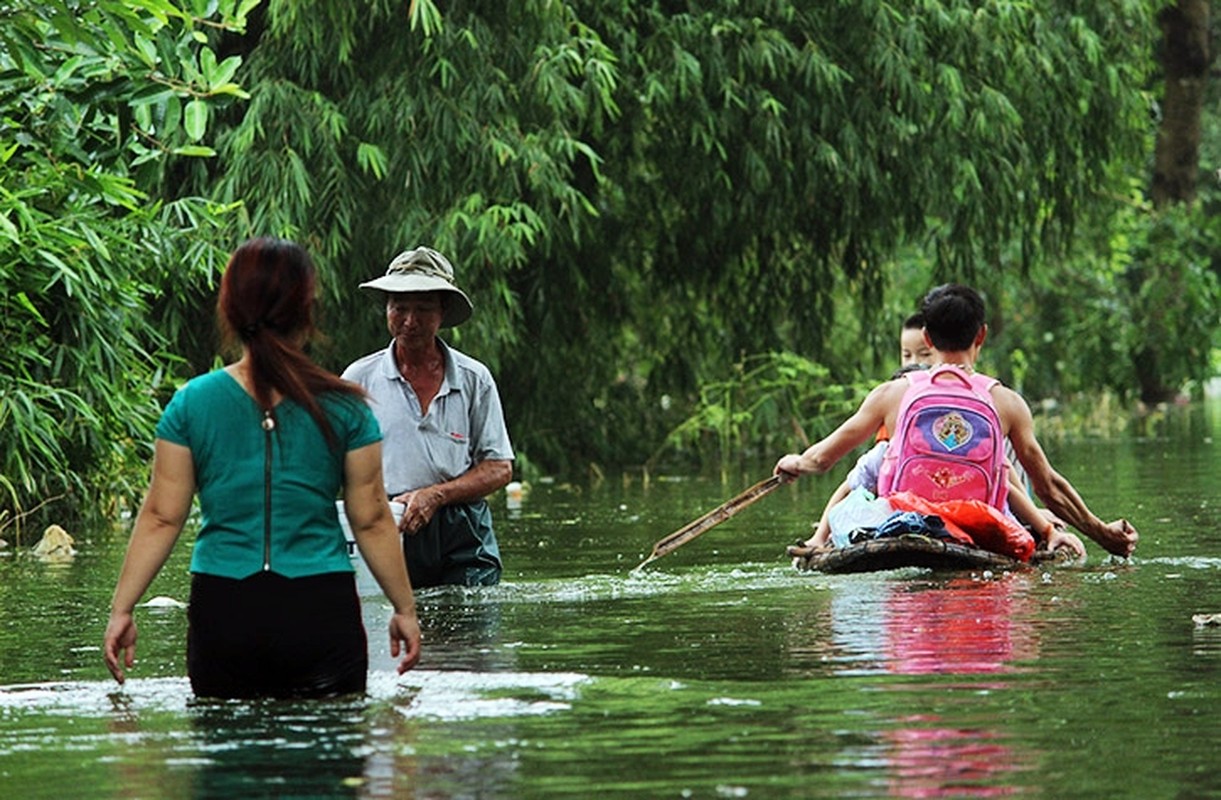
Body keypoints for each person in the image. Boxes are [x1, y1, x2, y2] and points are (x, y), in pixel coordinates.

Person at [103, 238, 421, 698]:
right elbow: (370, 519)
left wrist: (122, 610)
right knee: (326, 758)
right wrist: (404, 610)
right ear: (306, 309)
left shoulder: (191, 404)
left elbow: (161, 516)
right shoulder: (346, 409)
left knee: (228, 761)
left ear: (229, 307)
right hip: (320, 608)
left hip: (224, 611)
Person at [776, 284, 1137, 558]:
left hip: (899, 519)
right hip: (981, 527)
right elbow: (1048, 488)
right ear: (981, 334)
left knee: (857, 497)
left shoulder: (892, 395)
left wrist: (794, 463)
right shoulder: (1007, 403)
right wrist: (1103, 534)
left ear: (928, 339)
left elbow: (822, 460)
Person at [342, 246, 514, 588]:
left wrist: (436, 495)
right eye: (399, 307)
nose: (409, 321)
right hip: (387, 523)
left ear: (442, 312)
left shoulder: (473, 378)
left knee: (469, 626)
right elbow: (332, 463)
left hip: (461, 529)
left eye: (422, 309)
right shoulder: (359, 379)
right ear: (387, 309)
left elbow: (499, 468)